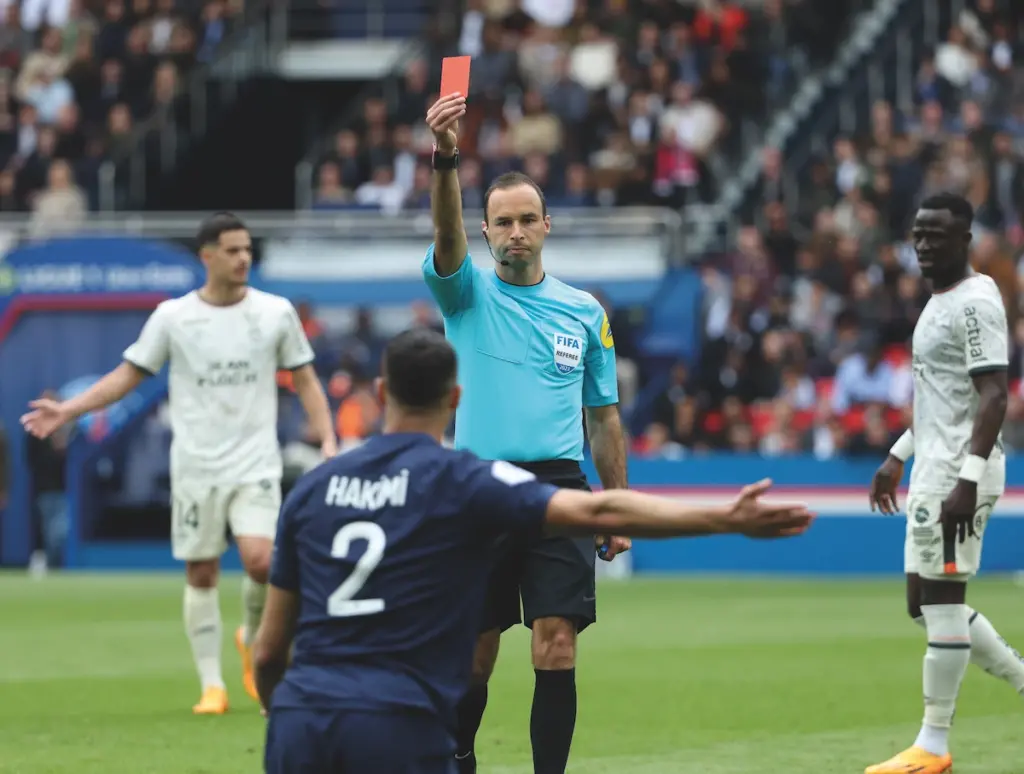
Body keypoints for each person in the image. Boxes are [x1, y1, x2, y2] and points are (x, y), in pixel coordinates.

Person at [254, 327, 815, 774]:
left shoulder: (312, 490)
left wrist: (291, 712)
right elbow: (597, 510)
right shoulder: (461, 481)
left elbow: (267, 654)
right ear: (455, 398)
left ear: (379, 394)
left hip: (302, 721)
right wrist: (725, 518)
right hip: (401, 724)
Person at [20, 212, 337, 715]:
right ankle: (212, 685)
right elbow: (128, 376)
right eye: (232, 250)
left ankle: (256, 649)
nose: (242, 259)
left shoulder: (275, 313)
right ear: (206, 256)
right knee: (202, 572)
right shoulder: (174, 317)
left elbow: (305, 380)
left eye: (248, 249)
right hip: (196, 466)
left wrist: (329, 440)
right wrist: (69, 408)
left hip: (254, 463)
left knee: (261, 559)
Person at [423, 92, 631, 774]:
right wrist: (447, 158)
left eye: (525, 220)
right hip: (478, 488)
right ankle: (458, 757)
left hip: (559, 490)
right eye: (501, 222)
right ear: (484, 233)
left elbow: (603, 416)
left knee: (556, 643)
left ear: (548, 225)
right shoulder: (466, 293)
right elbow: (445, 237)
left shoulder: (584, 312)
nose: (515, 232)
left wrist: (616, 503)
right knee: (477, 649)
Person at [867, 192, 1024, 774]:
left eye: (938, 234)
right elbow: (943, 401)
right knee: (923, 604)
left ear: (966, 239)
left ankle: (932, 745)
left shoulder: (976, 301)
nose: (925, 244)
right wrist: (896, 455)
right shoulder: (937, 302)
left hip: (960, 473)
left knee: (943, 602)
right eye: (918, 233)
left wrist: (969, 478)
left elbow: (993, 395)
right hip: (933, 466)